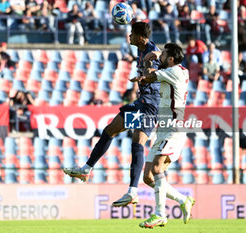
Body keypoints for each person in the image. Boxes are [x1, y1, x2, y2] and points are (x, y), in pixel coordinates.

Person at [63, 22, 161, 207]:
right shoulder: (142, 50)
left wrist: (149, 70)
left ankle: (123, 186)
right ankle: (95, 173)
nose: (129, 36)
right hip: (145, 104)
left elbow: (161, 63)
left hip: (150, 105)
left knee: (124, 136)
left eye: (132, 34)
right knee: (121, 135)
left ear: (140, 37)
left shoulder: (150, 50)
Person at [131, 43, 195, 228]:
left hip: (174, 127)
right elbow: (160, 65)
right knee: (148, 178)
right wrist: (155, 56)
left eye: (164, 55)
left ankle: (160, 214)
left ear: (171, 59)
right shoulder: (178, 70)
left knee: (158, 169)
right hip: (164, 129)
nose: (160, 57)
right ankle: (183, 200)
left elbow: (151, 77)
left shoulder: (174, 71)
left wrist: (144, 69)